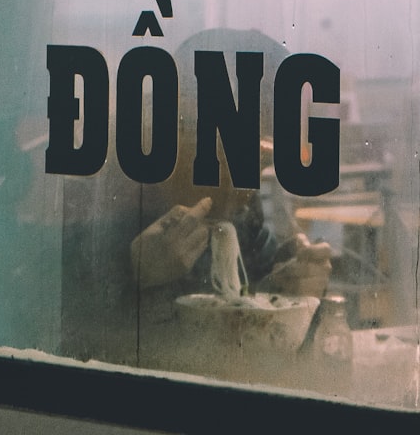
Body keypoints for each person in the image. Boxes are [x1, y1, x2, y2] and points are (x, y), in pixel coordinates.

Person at [60, 27, 333, 368]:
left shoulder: (240, 216)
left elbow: (250, 305)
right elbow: (51, 332)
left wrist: (288, 292)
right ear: (177, 129)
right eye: (228, 157)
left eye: (260, 164)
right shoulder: (103, 205)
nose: (243, 191)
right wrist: (132, 273)